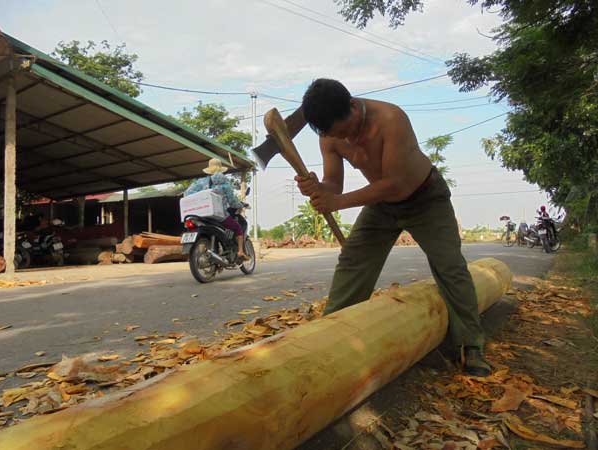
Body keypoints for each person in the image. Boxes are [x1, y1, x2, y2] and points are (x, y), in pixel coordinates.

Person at [295, 78, 490, 376]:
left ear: (352, 106)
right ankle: (330, 336)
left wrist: (337, 202)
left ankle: (470, 345)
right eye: (337, 135)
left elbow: (395, 184)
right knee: (353, 261)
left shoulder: (390, 119)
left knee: (450, 266)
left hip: (425, 197)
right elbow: (334, 184)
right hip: (382, 204)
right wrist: (318, 188)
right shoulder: (329, 136)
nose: (347, 140)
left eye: (348, 130)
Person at [185, 158, 249, 261]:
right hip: (219, 216)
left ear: (209, 170)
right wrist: (240, 205)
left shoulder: (200, 182)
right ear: (221, 170)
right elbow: (232, 202)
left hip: (201, 215)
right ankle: (240, 252)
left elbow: (187, 194)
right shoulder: (225, 184)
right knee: (237, 228)